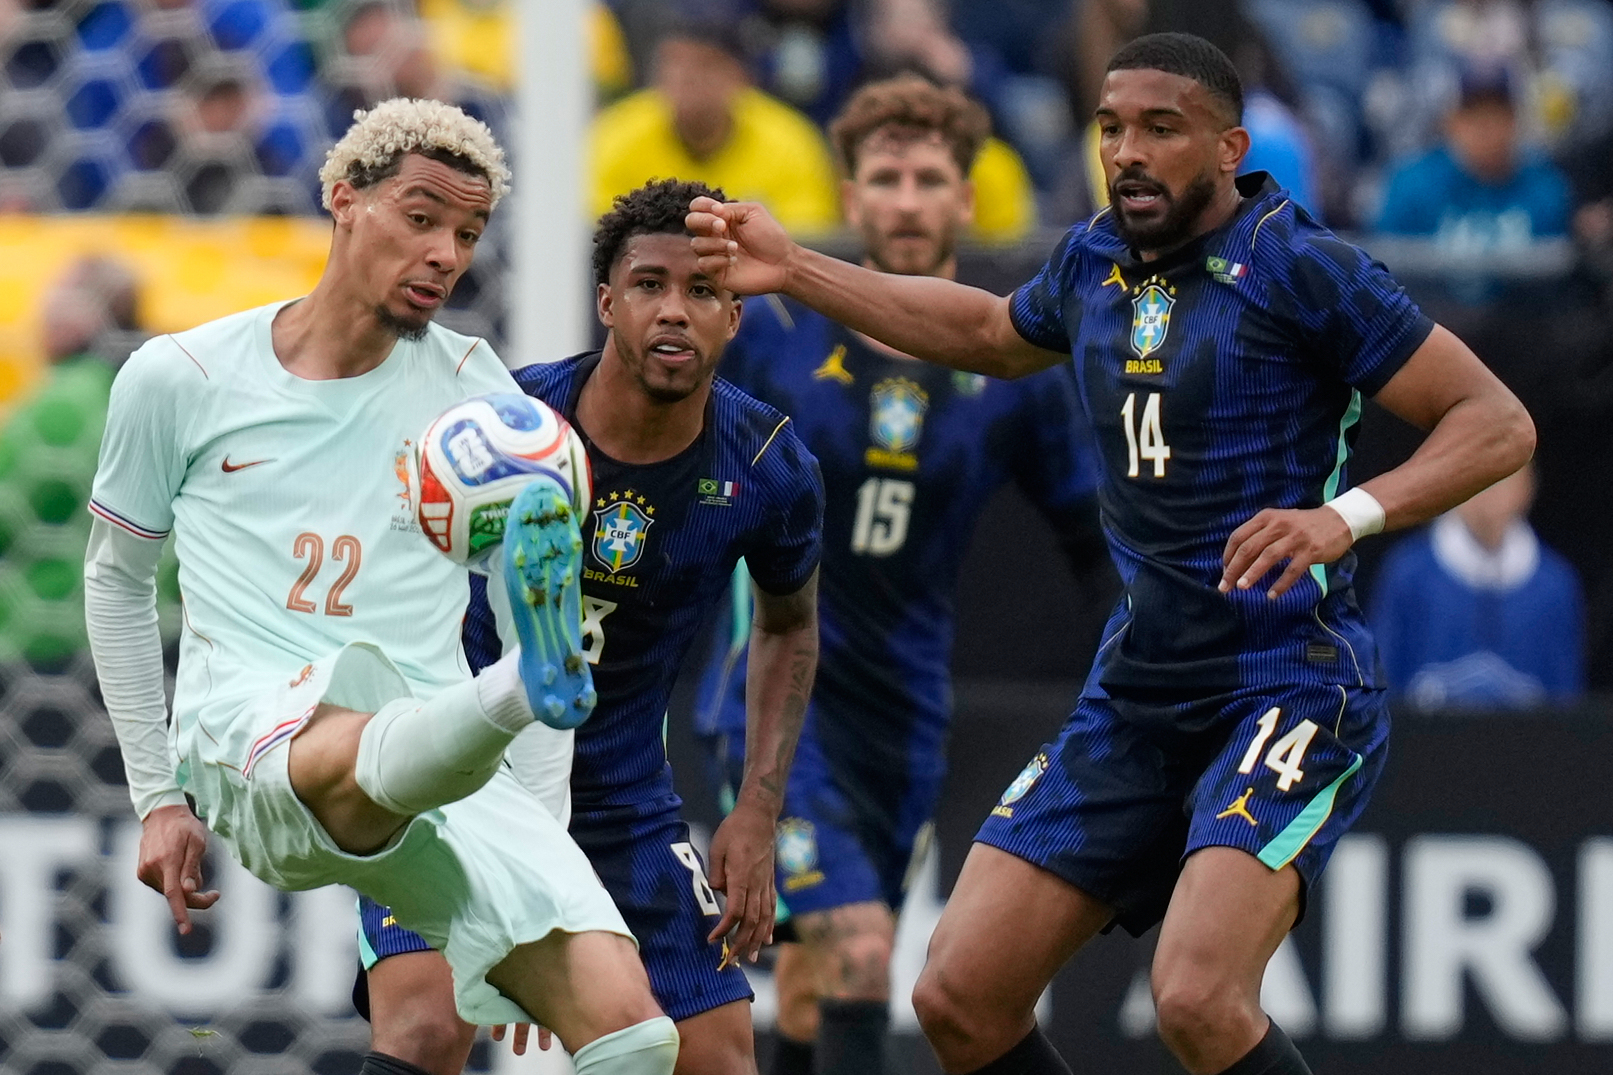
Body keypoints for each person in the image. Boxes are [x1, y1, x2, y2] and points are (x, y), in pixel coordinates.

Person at [687, 31, 1536, 1075]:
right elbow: (995, 334)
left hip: (1284, 679)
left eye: (1158, 129)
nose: (1125, 151)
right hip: (1138, 689)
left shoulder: (1299, 266)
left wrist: (1341, 517)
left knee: (1195, 998)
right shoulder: (1092, 258)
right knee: (957, 998)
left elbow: (1493, 423)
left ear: (1227, 147)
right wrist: (799, 269)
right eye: (1108, 129)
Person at [83, 98, 680, 1075]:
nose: (445, 252)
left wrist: (535, 858)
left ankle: (518, 686)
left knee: (633, 1036)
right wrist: (157, 795)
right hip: (251, 737)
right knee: (364, 726)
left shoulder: (483, 406)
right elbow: (116, 584)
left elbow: (542, 618)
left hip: (444, 763)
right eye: (420, 217)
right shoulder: (179, 378)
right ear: (341, 200)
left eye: (467, 233)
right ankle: (516, 683)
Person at [354, 177, 826, 1075]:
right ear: (607, 302)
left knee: (719, 1058)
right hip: (455, 779)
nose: (673, 312)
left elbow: (788, 625)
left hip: (619, 799)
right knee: (423, 1028)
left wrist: (758, 808)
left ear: (738, 314)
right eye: (648, 285)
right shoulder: (503, 428)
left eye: (703, 291)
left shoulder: (767, 466)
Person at [690, 74, 1101, 1075]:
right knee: (861, 947)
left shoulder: (1010, 369)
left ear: (966, 197)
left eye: (929, 178)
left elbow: (1094, 540)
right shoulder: (774, 333)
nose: (908, 199)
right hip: (778, 699)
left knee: (804, 981)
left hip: (907, 710)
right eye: (886, 178)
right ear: (852, 195)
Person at [589, 8, 841, 234]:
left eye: (705, 64)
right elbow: (595, 231)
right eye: (673, 63)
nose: (686, 77)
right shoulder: (614, 136)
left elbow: (808, 238)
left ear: (741, 76)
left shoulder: (791, 142)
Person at [1370, 461, 1583, 709]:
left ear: (1527, 488)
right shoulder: (1408, 573)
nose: (1489, 491)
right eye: (1477, 477)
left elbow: (1566, 702)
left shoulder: (1554, 586)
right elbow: (1379, 685)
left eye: (1502, 478)